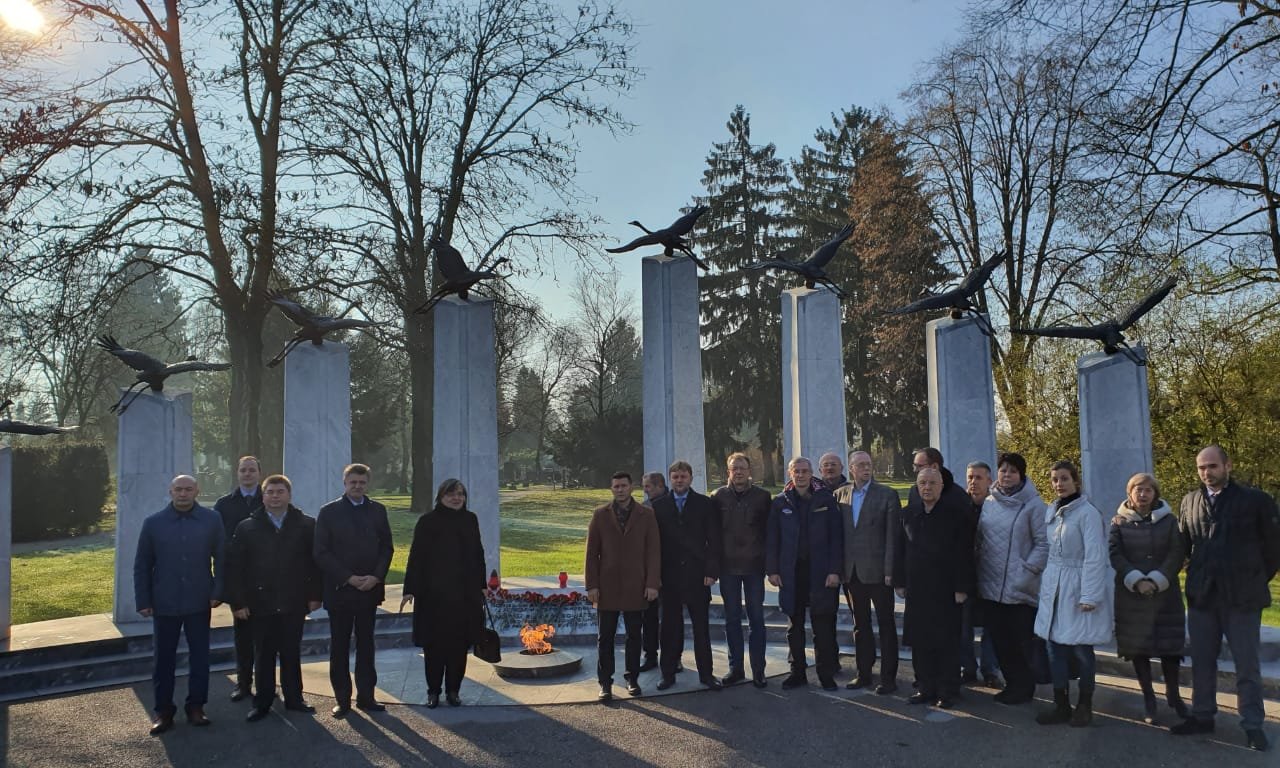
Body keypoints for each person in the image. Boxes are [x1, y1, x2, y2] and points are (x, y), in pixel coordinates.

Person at [1170, 445, 1280, 751]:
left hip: (1242, 598)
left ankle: (1253, 724)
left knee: (1247, 665)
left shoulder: (1256, 500)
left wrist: (1254, 578)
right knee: (1202, 661)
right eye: (1202, 467)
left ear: (1227, 466)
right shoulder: (1190, 501)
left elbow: (1273, 548)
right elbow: (1182, 545)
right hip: (1203, 596)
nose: (1207, 472)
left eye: (1212, 466)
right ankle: (1202, 715)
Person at [226, 474, 323, 721]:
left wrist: (315, 595)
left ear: (289, 495)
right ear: (263, 496)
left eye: (280, 491)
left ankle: (295, 698)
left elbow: (315, 564)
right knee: (263, 655)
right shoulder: (246, 527)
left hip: (294, 600)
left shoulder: (306, 525)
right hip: (260, 603)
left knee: (291, 652)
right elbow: (235, 568)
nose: (275, 496)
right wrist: (238, 602)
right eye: (270, 492)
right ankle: (262, 702)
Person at [134, 475, 225, 735]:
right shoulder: (153, 523)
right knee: (163, 659)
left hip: (199, 600)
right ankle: (163, 711)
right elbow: (142, 564)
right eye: (178, 489)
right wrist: (143, 600)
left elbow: (221, 559)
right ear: (170, 491)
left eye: (188, 489)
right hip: (165, 602)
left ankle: (196, 707)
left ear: (197, 491)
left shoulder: (212, 519)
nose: (183, 494)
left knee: (200, 657)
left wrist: (218, 591)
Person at [1034, 460, 1112, 728]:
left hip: (1077, 586)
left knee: (1081, 649)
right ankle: (1061, 704)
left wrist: (1089, 595)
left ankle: (1085, 705)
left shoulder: (1087, 513)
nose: (1059, 484)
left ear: (1075, 481)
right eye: (1055, 479)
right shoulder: (1053, 511)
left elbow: (1095, 556)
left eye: (1064, 478)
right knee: (1054, 648)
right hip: (1054, 586)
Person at [313, 463, 393, 718]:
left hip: (369, 590)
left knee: (367, 646)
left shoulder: (378, 510)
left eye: (362, 482)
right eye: (353, 482)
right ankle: (342, 700)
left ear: (367, 484)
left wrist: (376, 577)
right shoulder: (329, 512)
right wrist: (348, 577)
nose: (357, 486)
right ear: (345, 483)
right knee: (339, 647)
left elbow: (387, 548)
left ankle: (366, 697)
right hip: (340, 591)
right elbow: (321, 552)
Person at [1109, 472, 1187, 725]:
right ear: (1129, 493)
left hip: (1165, 594)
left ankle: (1174, 696)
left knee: (1170, 648)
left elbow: (1177, 552)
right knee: (1139, 649)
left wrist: (1156, 579)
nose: (1142, 495)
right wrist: (1137, 580)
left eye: (1148, 490)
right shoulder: (1119, 522)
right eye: (1138, 490)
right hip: (1132, 595)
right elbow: (1115, 555)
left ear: (1155, 494)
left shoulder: (1169, 521)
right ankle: (1149, 699)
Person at [401, 478, 487, 708]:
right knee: (434, 646)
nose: (456, 498)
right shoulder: (427, 521)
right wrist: (410, 589)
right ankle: (433, 691)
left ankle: (453, 691)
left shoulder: (470, 519)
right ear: (440, 496)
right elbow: (416, 557)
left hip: (464, 595)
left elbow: (477, 553)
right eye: (451, 494)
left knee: (459, 646)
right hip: (433, 596)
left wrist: (482, 584)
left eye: (460, 494)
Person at [894, 467, 973, 709]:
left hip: (946, 589)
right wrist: (899, 581)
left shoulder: (956, 514)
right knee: (920, 641)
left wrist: (962, 587)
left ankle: (947, 690)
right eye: (922, 483)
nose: (927, 487)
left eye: (932, 483)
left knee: (946, 642)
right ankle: (925, 687)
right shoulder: (908, 513)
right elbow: (900, 549)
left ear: (941, 486)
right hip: (917, 589)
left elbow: (964, 553)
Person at [975, 452, 1047, 706]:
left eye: (1013, 471)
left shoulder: (1034, 505)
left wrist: (1027, 571)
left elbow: (1043, 543)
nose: (1007, 475)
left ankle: (1025, 686)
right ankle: (1012, 684)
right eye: (1003, 470)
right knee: (1000, 640)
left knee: (1021, 641)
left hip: (1020, 587)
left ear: (1021, 475)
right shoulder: (989, 501)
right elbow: (981, 537)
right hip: (990, 584)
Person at [766, 457, 843, 691]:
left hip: (820, 572)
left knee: (822, 627)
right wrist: (772, 570)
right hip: (791, 573)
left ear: (811, 474)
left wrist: (834, 570)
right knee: (794, 626)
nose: (800, 475)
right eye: (796, 471)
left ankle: (825, 674)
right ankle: (797, 672)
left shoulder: (826, 499)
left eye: (804, 471)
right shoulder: (780, 502)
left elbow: (836, 538)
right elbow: (772, 539)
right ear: (790, 473)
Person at [585, 472, 660, 702]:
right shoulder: (600, 515)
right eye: (616, 486)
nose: (620, 490)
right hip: (606, 586)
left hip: (636, 585)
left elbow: (653, 551)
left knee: (634, 636)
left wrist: (652, 583)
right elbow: (591, 553)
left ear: (631, 487)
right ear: (611, 489)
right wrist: (592, 585)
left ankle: (632, 678)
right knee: (605, 637)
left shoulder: (646, 514)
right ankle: (605, 682)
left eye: (623, 486)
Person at [835, 450, 902, 695]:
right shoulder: (840, 495)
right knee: (860, 625)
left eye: (868, 464)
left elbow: (893, 536)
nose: (866, 468)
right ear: (851, 468)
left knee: (886, 625)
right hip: (852, 574)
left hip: (879, 573)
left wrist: (890, 570)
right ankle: (863, 673)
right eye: (861, 465)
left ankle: (888, 678)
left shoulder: (887, 495)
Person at [652, 460, 723, 691]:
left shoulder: (704, 504)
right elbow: (653, 544)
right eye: (675, 477)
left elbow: (714, 540)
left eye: (683, 476)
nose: (679, 480)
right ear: (670, 479)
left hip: (697, 575)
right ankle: (668, 674)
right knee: (669, 629)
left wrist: (711, 571)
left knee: (701, 628)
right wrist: (655, 575)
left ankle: (706, 674)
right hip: (669, 576)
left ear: (691, 478)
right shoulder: (658, 506)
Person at [711, 452, 772, 688]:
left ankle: (759, 670)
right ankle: (735, 668)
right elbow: (712, 535)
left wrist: (769, 565)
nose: (738, 472)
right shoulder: (717, 497)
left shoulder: (762, 497)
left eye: (742, 468)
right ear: (728, 471)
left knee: (756, 619)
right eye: (734, 468)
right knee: (732, 620)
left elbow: (769, 533)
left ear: (749, 471)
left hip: (754, 568)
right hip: (728, 569)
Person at [214, 455, 263, 702]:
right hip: (239, 581)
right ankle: (243, 685)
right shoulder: (224, 504)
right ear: (237, 473)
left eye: (252, 470)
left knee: (267, 640)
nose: (247, 474)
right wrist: (224, 588)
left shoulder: (270, 498)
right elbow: (218, 546)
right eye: (243, 470)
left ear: (259, 473)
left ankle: (266, 686)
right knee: (243, 638)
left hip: (268, 581)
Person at [961, 461, 1002, 689]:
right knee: (963, 624)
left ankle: (990, 670)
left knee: (992, 626)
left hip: (991, 574)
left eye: (978, 477)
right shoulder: (960, 505)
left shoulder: (997, 506)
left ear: (989, 481)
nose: (973, 482)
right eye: (970, 477)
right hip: (966, 575)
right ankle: (967, 668)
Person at [638, 471, 669, 671]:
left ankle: (672, 656)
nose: (645, 490)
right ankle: (650, 655)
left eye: (648, 486)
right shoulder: (644, 508)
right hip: (648, 570)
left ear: (659, 485)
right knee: (648, 616)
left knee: (669, 617)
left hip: (669, 568)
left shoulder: (673, 504)